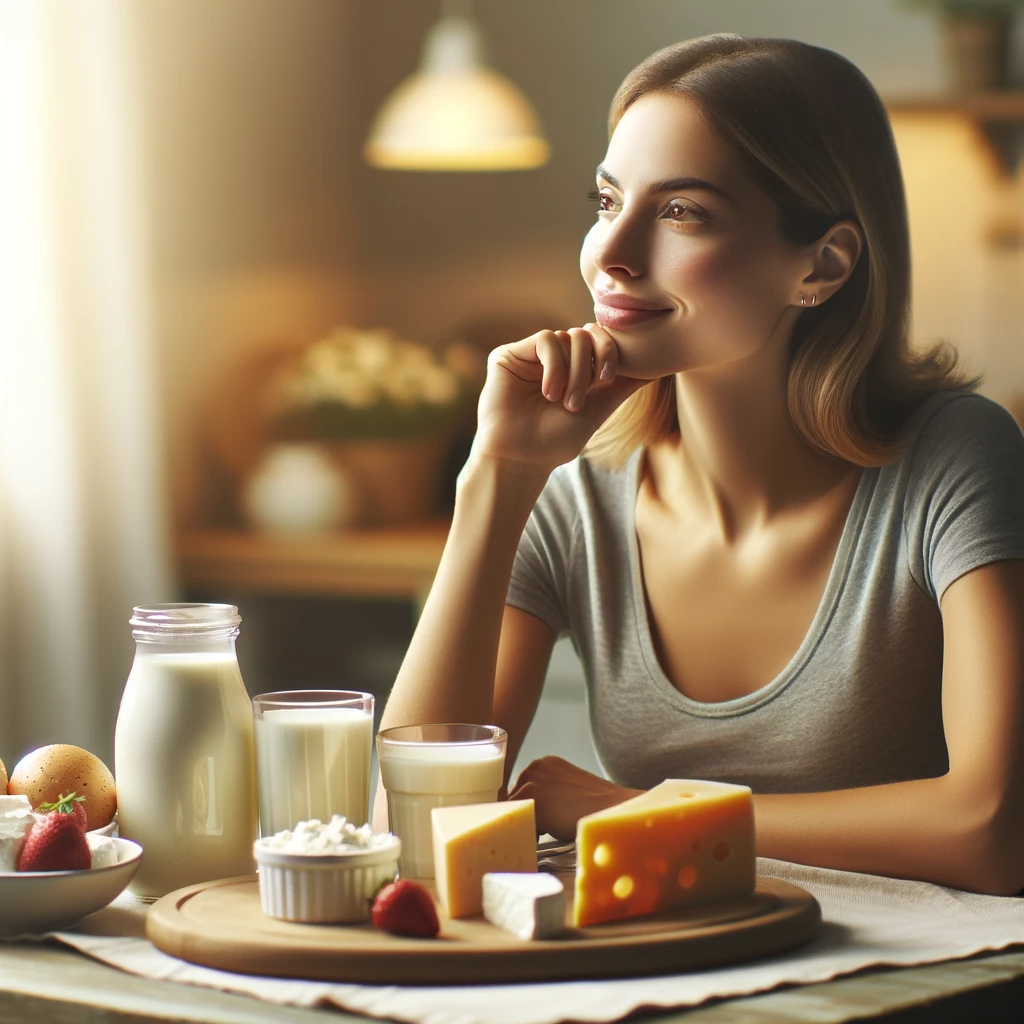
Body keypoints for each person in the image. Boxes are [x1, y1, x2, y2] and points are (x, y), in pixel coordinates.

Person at [375, 34, 1024, 895]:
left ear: (822, 265)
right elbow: (410, 820)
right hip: (683, 970)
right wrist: (496, 472)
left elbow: (991, 829)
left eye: (683, 212)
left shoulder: (953, 458)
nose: (612, 252)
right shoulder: (576, 496)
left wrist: (637, 810)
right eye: (608, 200)